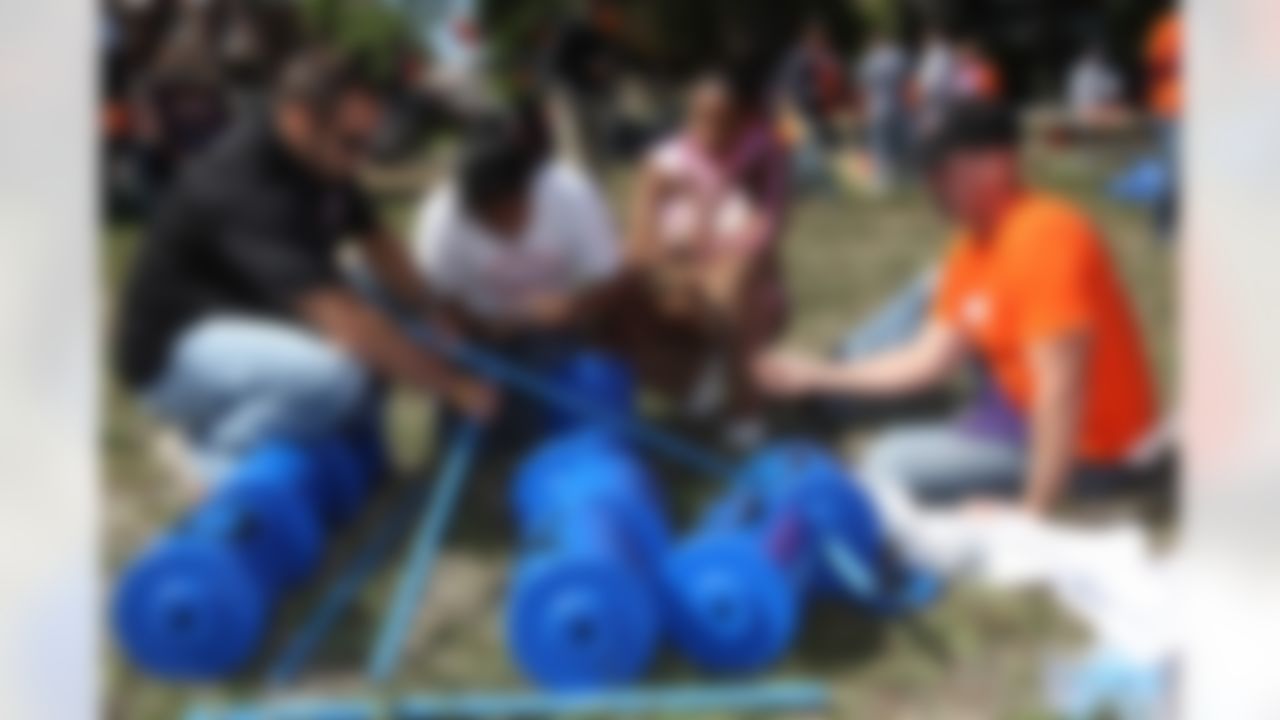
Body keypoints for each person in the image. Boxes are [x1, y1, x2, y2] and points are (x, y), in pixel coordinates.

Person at [115, 51, 496, 488]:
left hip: (245, 318)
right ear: (299, 120)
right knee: (337, 377)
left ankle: (361, 452)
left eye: (369, 141)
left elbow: (378, 243)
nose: (363, 157)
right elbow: (348, 323)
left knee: (385, 307)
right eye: (352, 142)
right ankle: (210, 449)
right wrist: (452, 386)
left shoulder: (322, 159)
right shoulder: (243, 183)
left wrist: (431, 309)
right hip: (172, 358)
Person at [755, 102, 1157, 514]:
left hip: (1093, 451)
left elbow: (1061, 389)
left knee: (889, 463)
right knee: (889, 456)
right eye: (928, 173)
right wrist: (819, 376)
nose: (930, 186)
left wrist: (1030, 512)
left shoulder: (1047, 235)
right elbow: (927, 360)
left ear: (997, 164)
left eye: (942, 171)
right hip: (1016, 426)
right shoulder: (972, 246)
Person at [624, 70, 789, 447]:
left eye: (723, 121)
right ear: (688, 116)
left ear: (741, 122)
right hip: (675, 285)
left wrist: (704, 246)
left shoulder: (756, 163)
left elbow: (761, 244)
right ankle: (702, 379)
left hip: (739, 291)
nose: (710, 130)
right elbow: (640, 244)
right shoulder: (663, 164)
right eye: (701, 117)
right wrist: (682, 256)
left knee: (738, 284)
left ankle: (742, 406)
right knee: (619, 288)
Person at [411, 107, 621, 352]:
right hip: (484, 342)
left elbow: (609, 280)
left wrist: (574, 307)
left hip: (568, 332)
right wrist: (487, 327)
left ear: (529, 187)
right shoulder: (441, 216)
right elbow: (438, 302)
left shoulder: (571, 192)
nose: (497, 224)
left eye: (505, 210)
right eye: (484, 215)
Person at [855, 28, 911, 191]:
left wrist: (862, 111)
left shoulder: (870, 60)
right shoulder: (897, 57)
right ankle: (899, 177)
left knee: (880, 145)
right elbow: (905, 82)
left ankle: (882, 182)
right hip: (896, 106)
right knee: (895, 144)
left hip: (877, 106)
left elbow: (864, 87)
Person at [1143, 5, 1181, 242]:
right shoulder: (1166, 29)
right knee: (1171, 172)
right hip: (1170, 110)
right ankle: (1163, 227)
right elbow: (1154, 66)